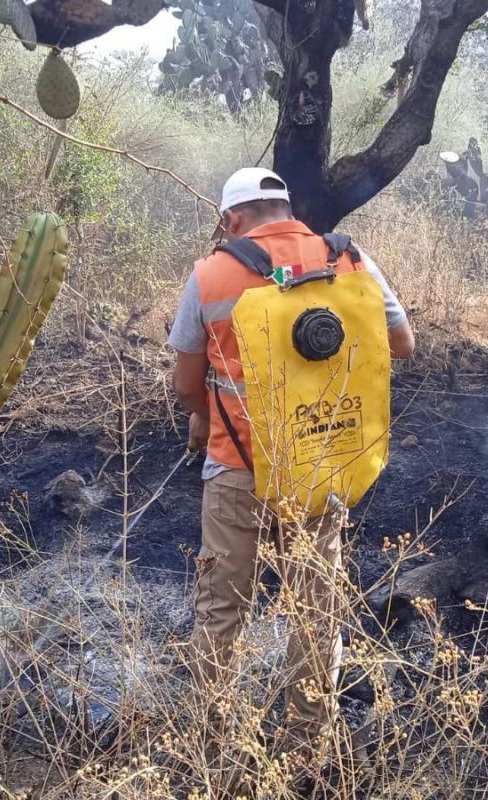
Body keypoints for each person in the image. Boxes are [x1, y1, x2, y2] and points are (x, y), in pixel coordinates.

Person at [167, 167, 414, 763]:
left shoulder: (211, 273)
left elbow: (184, 384)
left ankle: (211, 743)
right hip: (320, 464)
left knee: (223, 607)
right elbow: (401, 343)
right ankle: (305, 749)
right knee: (314, 609)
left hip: (237, 467)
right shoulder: (348, 257)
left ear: (232, 218)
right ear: (286, 206)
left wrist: (205, 415)